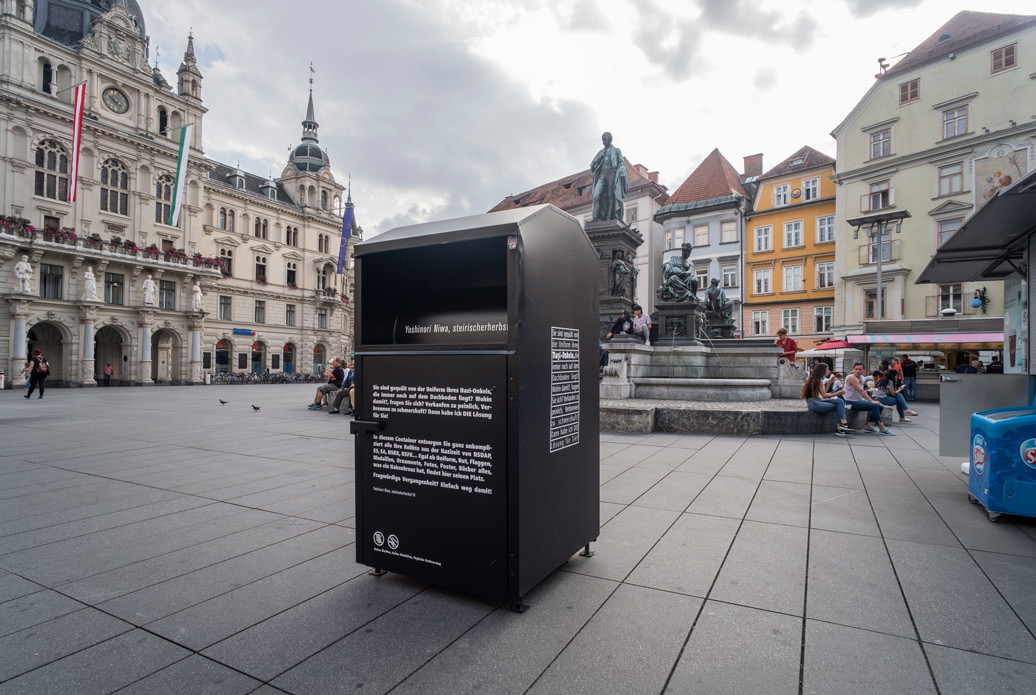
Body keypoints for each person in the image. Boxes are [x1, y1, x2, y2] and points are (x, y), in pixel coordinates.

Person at [801, 363, 856, 435]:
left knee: (839, 402)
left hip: (814, 402)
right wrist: (837, 393)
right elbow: (824, 395)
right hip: (815, 404)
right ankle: (842, 426)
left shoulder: (815, 379)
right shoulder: (818, 381)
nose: (829, 371)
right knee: (839, 403)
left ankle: (841, 427)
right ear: (822, 371)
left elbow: (824, 393)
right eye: (827, 369)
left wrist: (829, 383)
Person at [843, 362, 894, 435]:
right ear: (853, 369)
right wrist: (871, 401)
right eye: (856, 369)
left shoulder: (862, 378)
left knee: (880, 406)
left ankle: (869, 425)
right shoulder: (851, 377)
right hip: (849, 402)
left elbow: (861, 391)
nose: (858, 371)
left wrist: (869, 390)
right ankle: (882, 427)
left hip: (859, 401)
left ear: (863, 370)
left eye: (860, 369)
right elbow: (861, 391)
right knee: (874, 406)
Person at [590, 131, 628, 222]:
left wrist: (622, 170)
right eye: (602, 139)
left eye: (605, 139)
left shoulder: (616, 150)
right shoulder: (600, 152)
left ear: (610, 139)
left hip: (611, 174)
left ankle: (610, 217)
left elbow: (621, 162)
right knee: (596, 195)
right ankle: (595, 217)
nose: (603, 141)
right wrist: (598, 158)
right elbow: (592, 166)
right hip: (601, 175)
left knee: (611, 196)